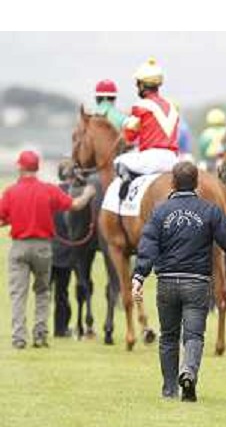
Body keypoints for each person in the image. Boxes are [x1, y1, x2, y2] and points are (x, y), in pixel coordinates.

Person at [131, 161, 226, 402]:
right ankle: (189, 373)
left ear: (172, 182)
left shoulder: (159, 212)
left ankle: (169, 389)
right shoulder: (210, 210)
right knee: (194, 336)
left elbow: (148, 245)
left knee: (168, 337)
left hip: (166, 283)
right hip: (197, 283)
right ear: (197, 183)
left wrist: (139, 276)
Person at [0, 151, 96, 349]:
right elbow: (75, 205)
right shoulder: (48, 190)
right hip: (43, 247)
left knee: (18, 294)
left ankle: (19, 338)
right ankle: (40, 335)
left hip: (19, 246)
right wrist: (88, 193)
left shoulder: (10, 192)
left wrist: (14, 219)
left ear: (20, 167)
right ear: (37, 168)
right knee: (43, 291)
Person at [103, 58, 179, 197]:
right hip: (173, 160)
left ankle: (126, 196)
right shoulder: (172, 107)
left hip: (151, 159)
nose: (137, 87)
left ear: (143, 85)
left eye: (138, 84)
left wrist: (125, 130)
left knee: (119, 162)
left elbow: (129, 136)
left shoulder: (141, 105)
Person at [50, 160, 77, 338]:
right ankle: (60, 329)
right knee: (62, 292)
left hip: (48, 248)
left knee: (44, 293)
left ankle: (41, 328)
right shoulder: (76, 194)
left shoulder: (51, 192)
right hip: (67, 250)